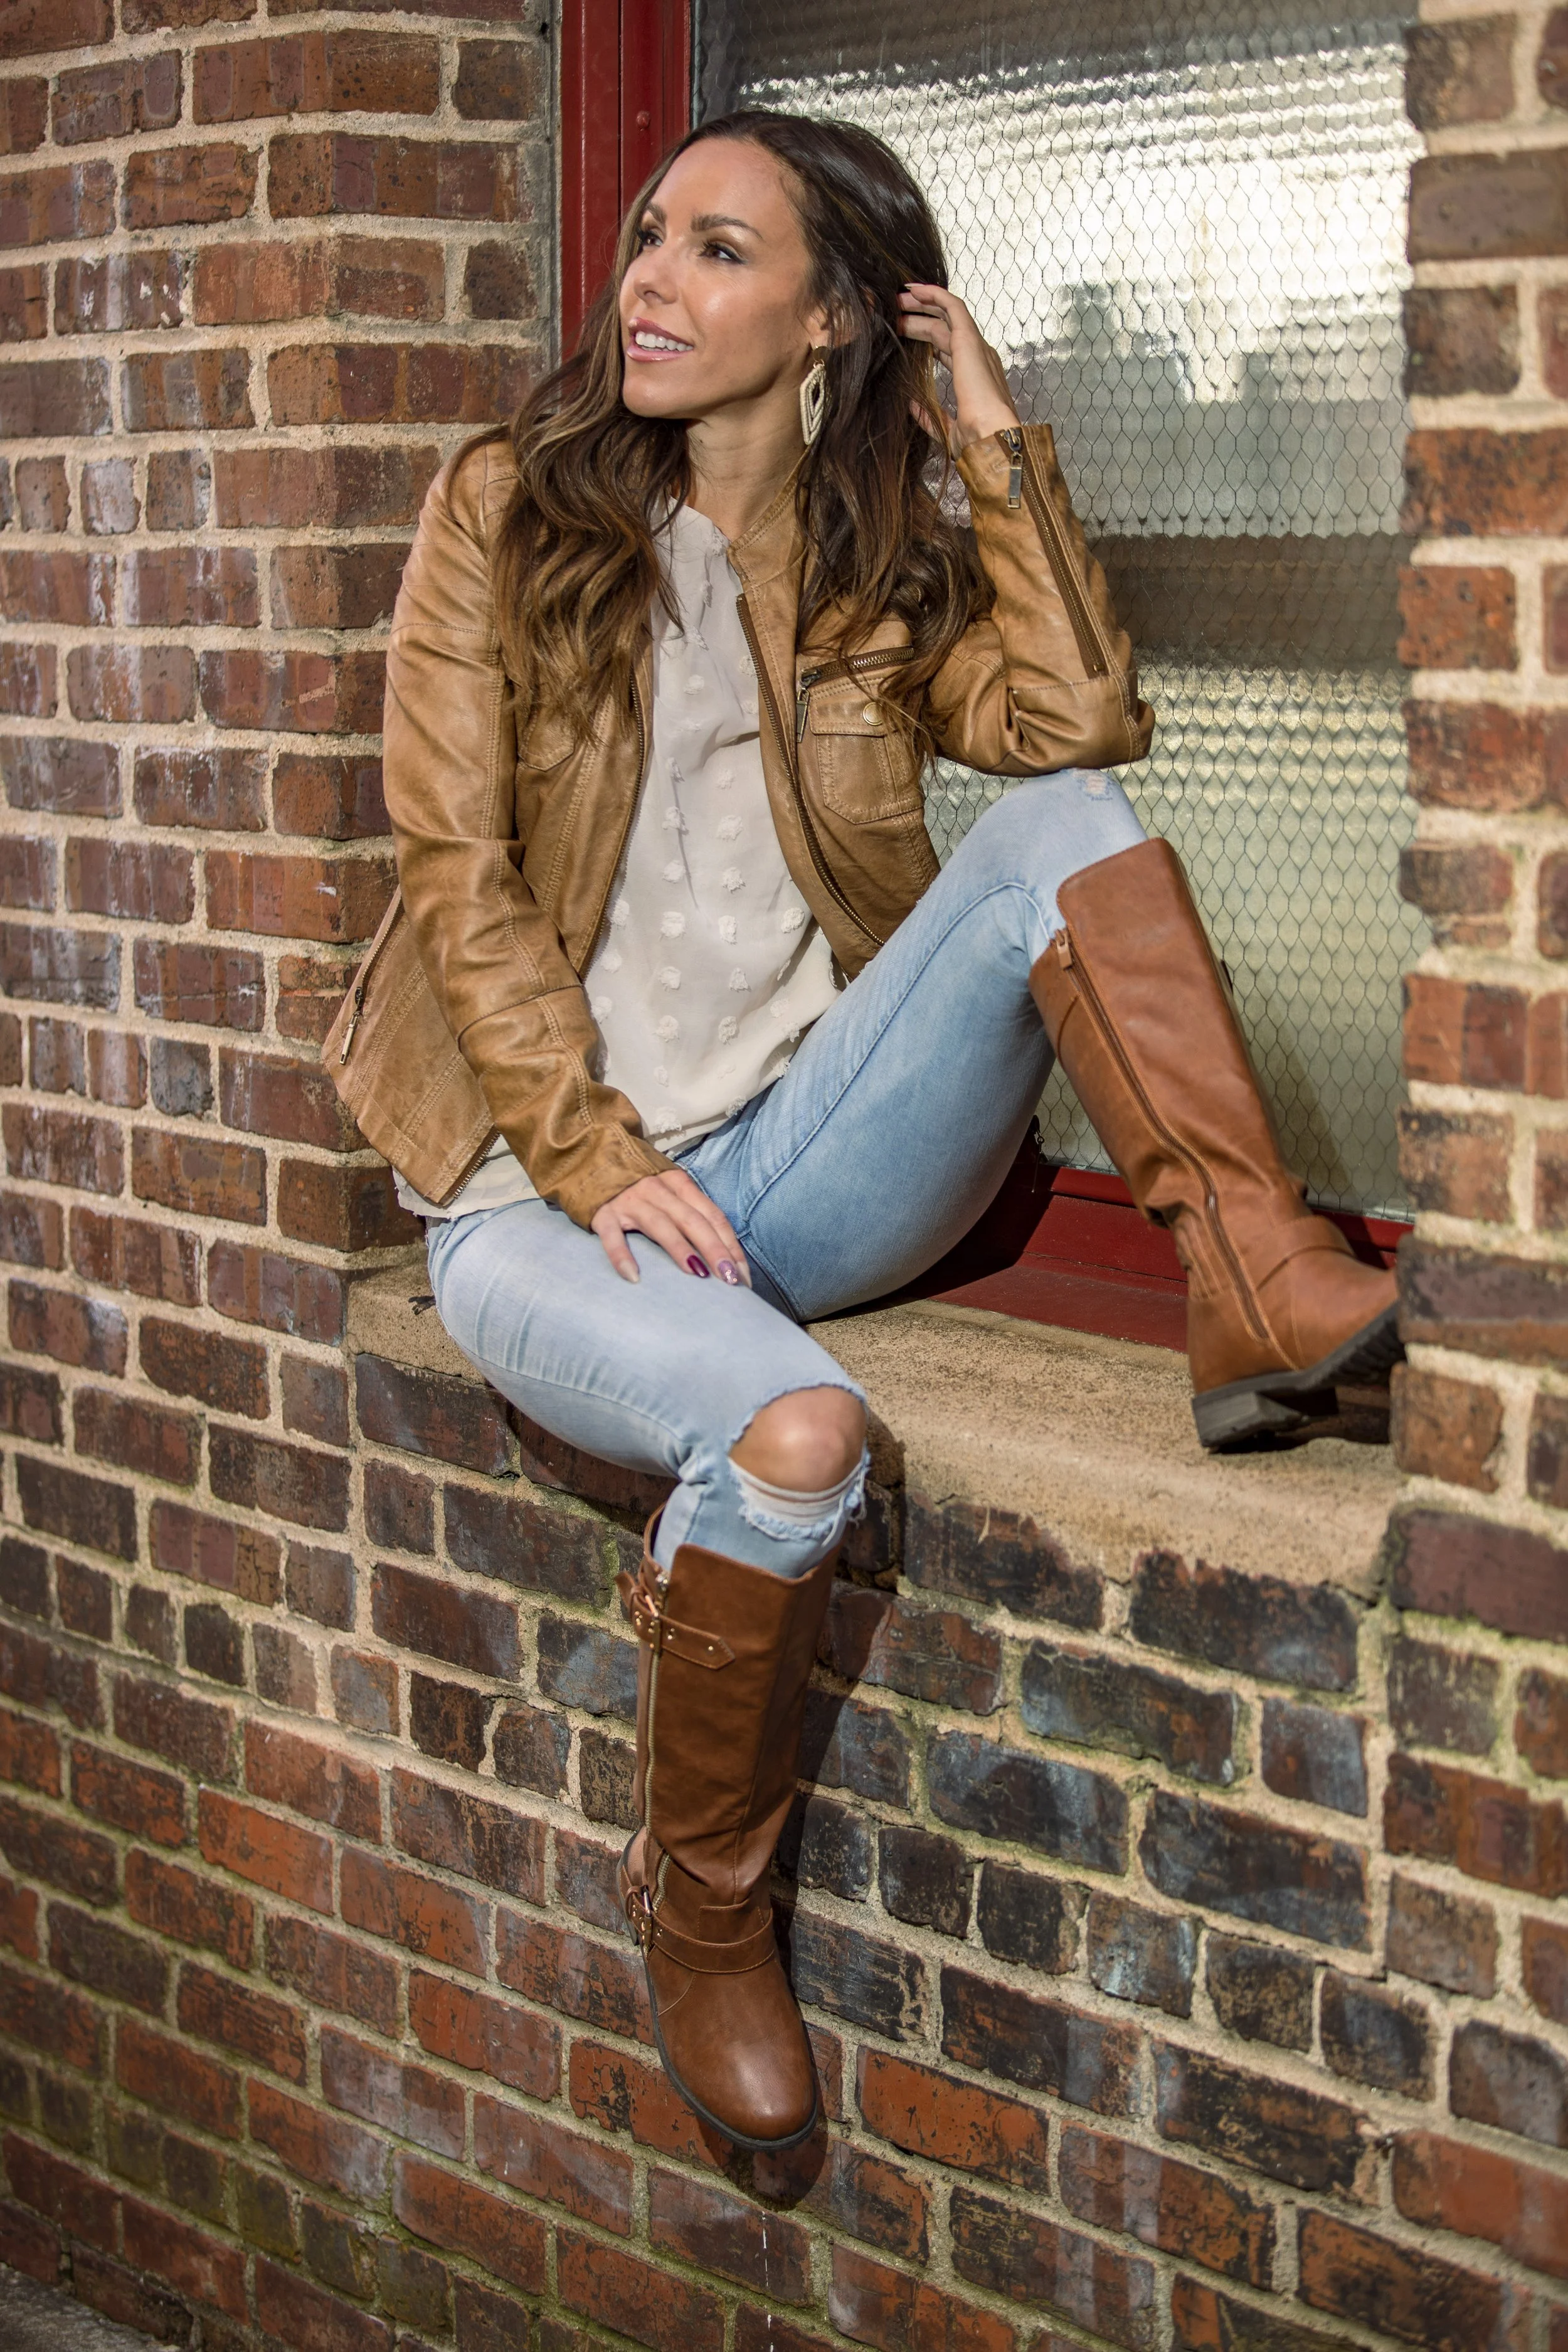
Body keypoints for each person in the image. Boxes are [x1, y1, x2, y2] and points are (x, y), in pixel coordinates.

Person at [327, 110, 1401, 2153]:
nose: (649, 280)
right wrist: (583, 1151)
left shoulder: (867, 560)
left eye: (718, 252)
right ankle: (703, 1910)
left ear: (830, 319)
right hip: (536, 1197)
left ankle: (1254, 1284)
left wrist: (993, 442)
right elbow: (454, 866)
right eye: (649, 239)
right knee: (795, 1443)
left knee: (1062, 834)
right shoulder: (507, 507)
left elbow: (1079, 728)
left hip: (794, 1164)